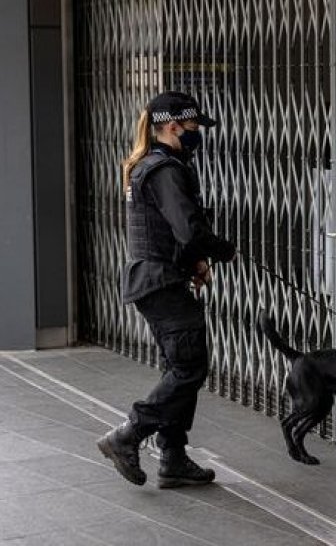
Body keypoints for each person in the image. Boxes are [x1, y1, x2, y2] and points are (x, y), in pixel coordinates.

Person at [96, 91, 237, 488]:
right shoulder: (164, 170)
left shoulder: (153, 165)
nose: (197, 134)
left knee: (179, 366)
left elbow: (168, 231)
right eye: (193, 127)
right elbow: (188, 227)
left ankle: (173, 456)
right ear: (173, 126)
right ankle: (127, 435)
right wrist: (219, 249)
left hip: (157, 279)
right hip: (159, 283)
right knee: (190, 368)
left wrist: (193, 261)